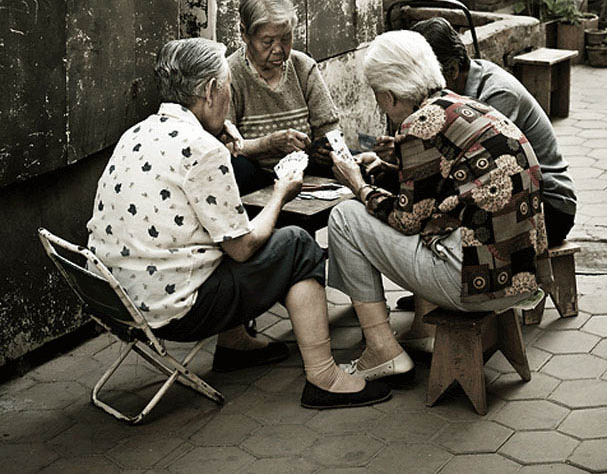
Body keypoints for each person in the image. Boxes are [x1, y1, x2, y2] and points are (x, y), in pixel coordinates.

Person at [87, 37, 390, 410]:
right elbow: (242, 248)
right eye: (227, 84)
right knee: (296, 245)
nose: (229, 95)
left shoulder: (136, 133)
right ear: (212, 90)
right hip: (173, 311)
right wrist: (282, 191)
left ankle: (234, 346)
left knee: (223, 228)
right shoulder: (202, 149)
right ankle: (324, 378)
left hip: (114, 300)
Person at [326, 30, 553, 382]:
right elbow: (442, 188)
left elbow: (406, 220)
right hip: (521, 275)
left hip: (478, 284)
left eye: (377, 95)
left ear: (388, 93)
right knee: (409, 218)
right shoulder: (465, 107)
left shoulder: (419, 124)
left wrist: (356, 184)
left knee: (344, 217)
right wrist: (388, 172)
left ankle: (382, 351)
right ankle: (419, 331)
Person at [412, 17, 577, 247]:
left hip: (550, 207)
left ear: (452, 69)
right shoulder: (463, 88)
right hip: (520, 195)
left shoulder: (497, 94)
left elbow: (478, 171)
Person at [227, 0, 340, 190]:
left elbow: (329, 128)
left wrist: (322, 148)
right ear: (245, 34)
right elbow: (226, 146)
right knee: (234, 168)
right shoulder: (230, 75)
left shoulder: (303, 67)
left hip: (305, 174)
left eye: (286, 39)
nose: (279, 49)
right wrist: (268, 145)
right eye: (267, 42)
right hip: (258, 179)